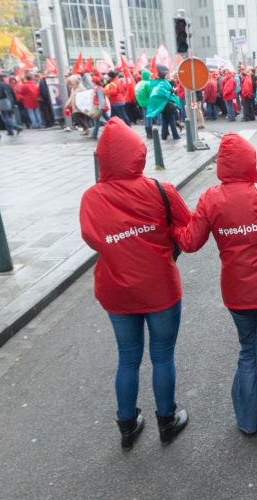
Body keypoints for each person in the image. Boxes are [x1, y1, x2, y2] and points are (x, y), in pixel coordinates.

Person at [79, 118, 191, 449]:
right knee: (162, 354)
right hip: (160, 287)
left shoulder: (92, 198)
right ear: (138, 154)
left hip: (117, 288)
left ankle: (127, 424)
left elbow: (92, 239)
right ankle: (166, 420)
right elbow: (186, 228)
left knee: (127, 356)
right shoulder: (160, 190)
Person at [176, 134, 257, 436]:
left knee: (247, 351)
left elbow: (189, 242)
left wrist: (172, 223)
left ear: (221, 166)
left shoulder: (211, 199)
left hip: (236, 292)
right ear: (251, 161)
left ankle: (246, 421)